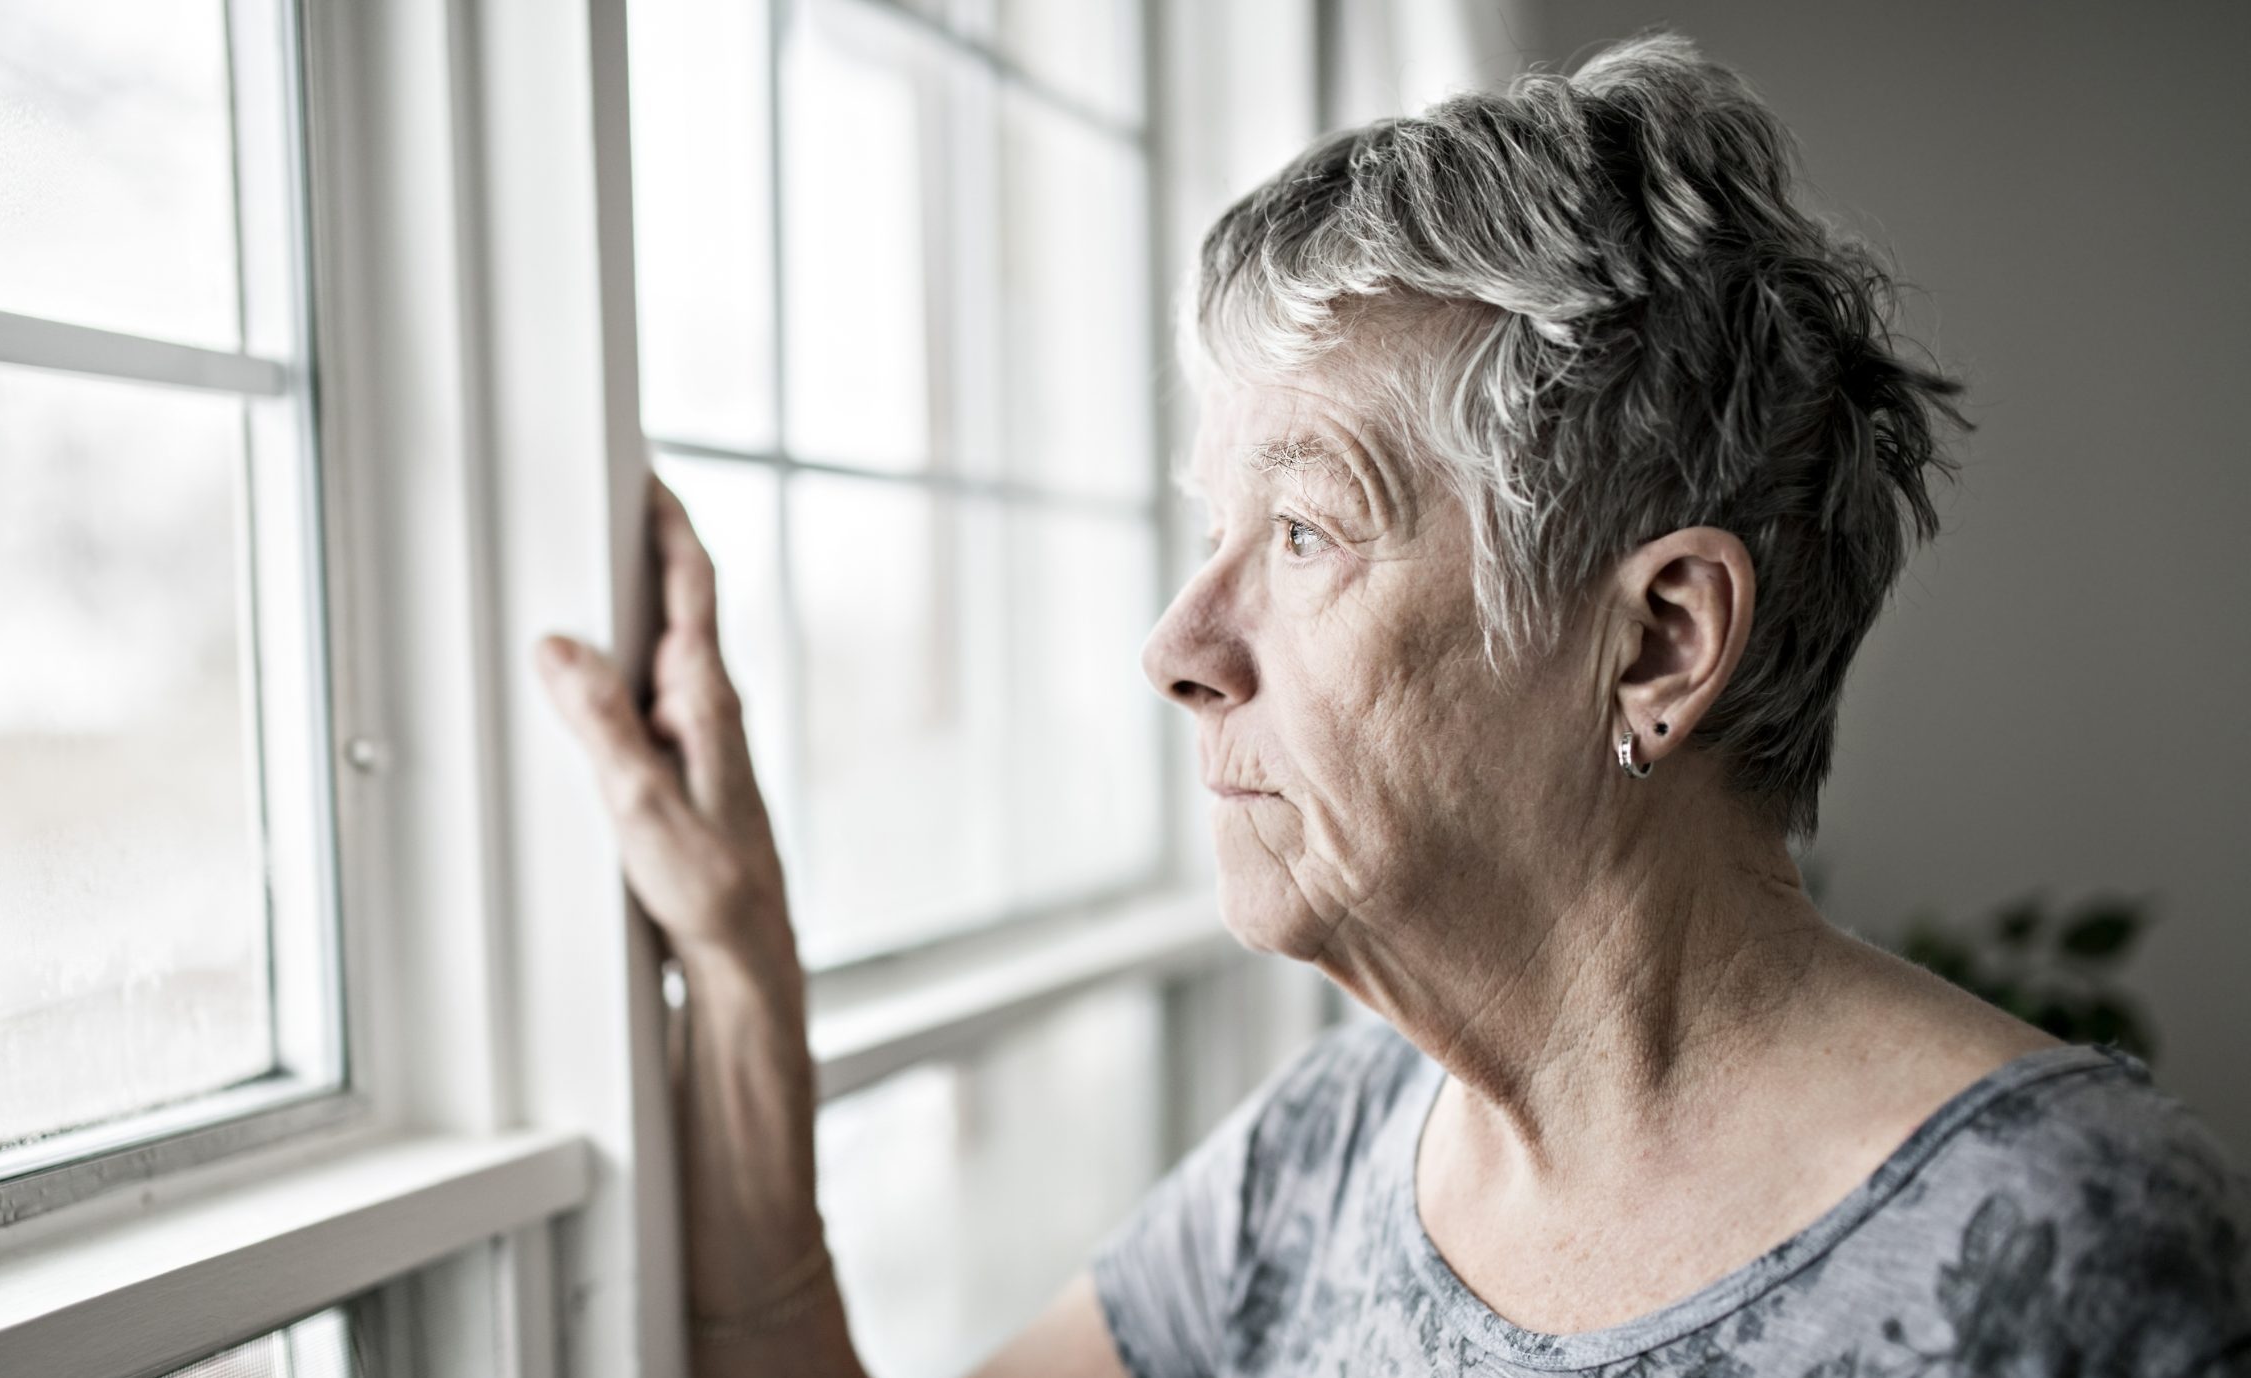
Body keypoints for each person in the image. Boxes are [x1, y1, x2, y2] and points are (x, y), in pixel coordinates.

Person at [533, 32, 2251, 1378]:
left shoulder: (2061, 1245)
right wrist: (745, 976)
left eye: (1303, 528)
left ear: (1658, 642)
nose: (1180, 640)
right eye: (1213, 532)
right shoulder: (1334, 1152)